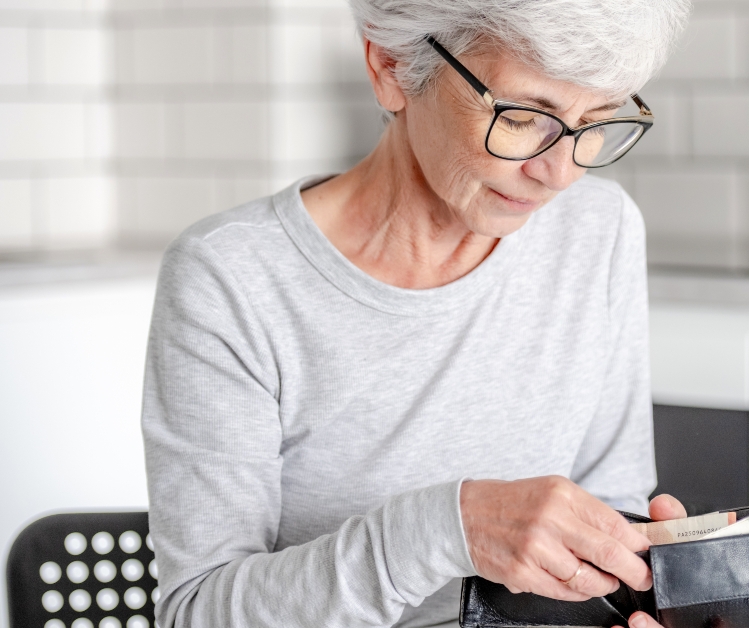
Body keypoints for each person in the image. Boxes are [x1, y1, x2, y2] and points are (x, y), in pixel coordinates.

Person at [140, 1, 691, 627]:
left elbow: (607, 510)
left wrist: (640, 585)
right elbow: (197, 615)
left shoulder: (599, 232)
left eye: (594, 122)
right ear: (393, 69)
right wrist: (445, 530)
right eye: (522, 118)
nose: (558, 173)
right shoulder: (232, 278)